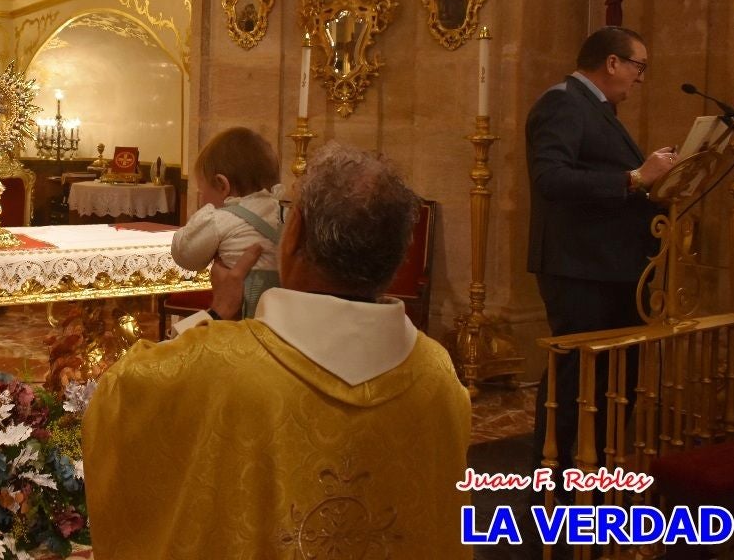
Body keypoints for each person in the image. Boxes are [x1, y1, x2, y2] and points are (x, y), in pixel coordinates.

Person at [83, 144, 472, 559]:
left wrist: (217, 312)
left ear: (295, 234)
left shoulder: (208, 366)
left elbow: (117, 400)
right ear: (397, 257)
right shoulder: (439, 377)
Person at [526, 26, 675, 476]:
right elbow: (550, 178)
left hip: (610, 268)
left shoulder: (595, 108)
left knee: (613, 380)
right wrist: (635, 178)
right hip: (582, 270)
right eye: (639, 66)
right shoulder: (563, 102)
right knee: (575, 383)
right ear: (612, 62)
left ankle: (595, 469)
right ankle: (556, 478)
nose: (642, 77)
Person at [170, 127, 281, 318]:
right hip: (280, 314)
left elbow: (185, 255)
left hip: (239, 313)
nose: (202, 198)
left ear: (222, 185)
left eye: (202, 191)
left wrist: (203, 215)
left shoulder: (220, 218)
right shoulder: (283, 213)